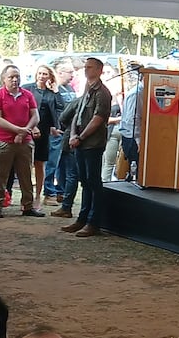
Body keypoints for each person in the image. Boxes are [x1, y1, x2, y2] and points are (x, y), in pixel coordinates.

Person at [60, 57, 112, 237]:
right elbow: (77, 115)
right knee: (84, 181)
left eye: (90, 67)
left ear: (99, 70)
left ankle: (93, 222)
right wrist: (73, 134)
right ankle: (82, 219)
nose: (86, 70)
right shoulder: (87, 90)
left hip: (93, 144)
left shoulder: (102, 93)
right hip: (81, 143)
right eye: (85, 67)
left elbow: (98, 119)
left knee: (93, 181)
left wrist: (80, 137)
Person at [0, 65, 44, 218]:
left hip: (25, 142)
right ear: (4, 79)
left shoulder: (27, 95)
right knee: (1, 174)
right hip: (3, 141)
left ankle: (28, 206)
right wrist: (18, 130)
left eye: (17, 77)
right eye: (11, 77)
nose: (15, 80)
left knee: (26, 174)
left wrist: (24, 130)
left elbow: (35, 116)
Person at [22, 65, 63, 208]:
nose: (41, 76)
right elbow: (23, 109)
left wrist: (56, 90)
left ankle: (38, 196)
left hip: (44, 132)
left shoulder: (51, 93)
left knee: (40, 163)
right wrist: (32, 127)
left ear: (49, 76)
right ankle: (26, 197)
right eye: (39, 73)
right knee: (25, 164)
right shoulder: (27, 88)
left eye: (45, 74)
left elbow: (60, 109)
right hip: (27, 129)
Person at [45, 59, 77, 202]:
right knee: (54, 162)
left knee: (65, 162)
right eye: (70, 72)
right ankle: (50, 191)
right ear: (60, 73)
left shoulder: (70, 88)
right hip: (56, 130)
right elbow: (58, 108)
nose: (73, 75)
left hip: (69, 131)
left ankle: (61, 191)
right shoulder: (53, 89)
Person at [118, 64, 143, 179]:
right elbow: (133, 118)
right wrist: (138, 139)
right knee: (135, 169)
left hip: (135, 136)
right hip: (132, 137)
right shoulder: (137, 94)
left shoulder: (143, 92)